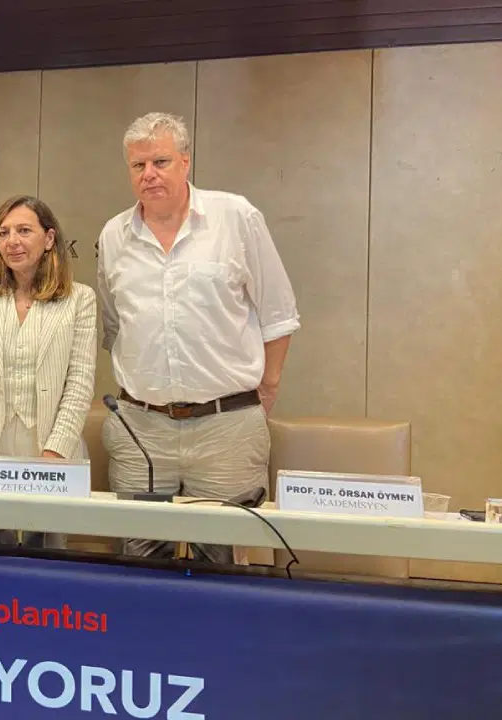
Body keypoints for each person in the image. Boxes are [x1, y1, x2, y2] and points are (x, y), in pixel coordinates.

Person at [96, 112, 301, 564]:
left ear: (185, 161)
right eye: (138, 165)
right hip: (142, 430)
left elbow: (279, 314)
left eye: (161, 161)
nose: (149, 174)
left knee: (223, 565)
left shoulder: (236, 217)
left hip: (226, 427)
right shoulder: (113, 235)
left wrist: (266, 388)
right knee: (136, 565)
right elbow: (115, 325)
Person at [0, 195, 97, 549]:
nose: (12, 240)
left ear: (49, 238)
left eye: (24, 230)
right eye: (4, 232)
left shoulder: (80, 300)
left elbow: (79, 384)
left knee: (45, 560)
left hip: (53, 450)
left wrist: (52, 458)